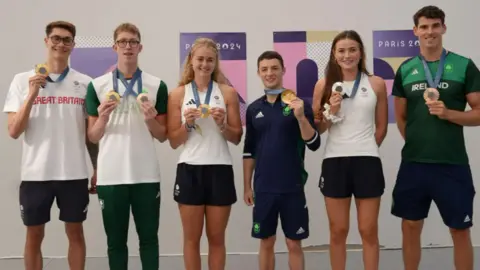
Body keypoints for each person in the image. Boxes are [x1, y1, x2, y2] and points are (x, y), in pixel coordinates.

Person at [3, 21, 98, 270]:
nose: (61, 44)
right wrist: (32, 95)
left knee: (75, 234)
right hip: (36, 174)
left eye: (67, 40)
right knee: (34, 236)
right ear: (46, 41)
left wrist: (97, 168)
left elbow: (90, 135)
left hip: (74, 173)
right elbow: (13, 131)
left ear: (73, 45)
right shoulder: (23, 80)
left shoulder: (85, 83)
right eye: (56, 38)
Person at [391, 5, 480, 270]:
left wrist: (449, 114)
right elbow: (402, 118)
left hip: (452, 164)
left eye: (435, 26)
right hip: (414, 164)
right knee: (409, 226)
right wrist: (420, 142)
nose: (430, 32)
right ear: (415, 31)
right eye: (424, 27)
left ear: (443, 28)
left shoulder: (464, 65)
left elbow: (478, 113)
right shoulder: (406, 69)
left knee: (460, 230)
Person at [85, 23, 168, 270]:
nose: (128, 46)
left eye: (133, 42)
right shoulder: (97, 86)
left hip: (146, 175)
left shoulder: (156, 85)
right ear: (115, 47)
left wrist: (150, 118)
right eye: (123, 42)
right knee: (115, 242)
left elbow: (163, 135)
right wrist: (102, 118)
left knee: (149, 240)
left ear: (140, 47)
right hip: (111, 176)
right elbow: (92, 136)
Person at [312, 30, 388, 270]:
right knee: (338, 230)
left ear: (361, 52)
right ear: (334, 55)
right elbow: (318, 129)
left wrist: (366, 147)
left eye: (352, 49)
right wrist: (330, 111)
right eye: (342, 51)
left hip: (367, 161)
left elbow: (382, 126)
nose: (347, 55)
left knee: (368, 229)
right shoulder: (323, 84)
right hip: (335, 161)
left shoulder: (375, 83)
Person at [167, 37, 243, 270]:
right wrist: (187, 125)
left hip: (219, 168)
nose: (205, 64)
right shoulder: (178, 94)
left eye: (210, 60)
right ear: (191, 60)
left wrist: (222, 124)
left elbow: (237, 137)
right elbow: (173, 141)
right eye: (200, 59)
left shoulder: (228, 92)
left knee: (217, 239)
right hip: (190, 169)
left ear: (216, 62)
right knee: (191, 239)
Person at [243, 51, 321, 270]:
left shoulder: (299, 105)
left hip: (292, 186)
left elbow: (313, 143)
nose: (270, 73)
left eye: (275, 68)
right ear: (259, 73)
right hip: (264, 188)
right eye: (265, 69)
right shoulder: (253, 109)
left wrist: (300, 118)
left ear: (283, 70)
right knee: (266, 242)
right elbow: (249, 151)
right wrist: (246, 186)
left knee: (294, 243)